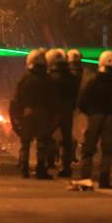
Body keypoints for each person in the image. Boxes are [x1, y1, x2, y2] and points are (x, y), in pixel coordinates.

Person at [78, 50, 112, 188]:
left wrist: (89, 112)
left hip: (94, 116)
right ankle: (104, 180)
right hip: (110, 117)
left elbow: (82, 99)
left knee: (88, 149)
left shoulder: (93, 80)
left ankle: (85, 177)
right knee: (107, 150)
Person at [9, 48, 57, 179]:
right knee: (42, 143)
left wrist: (16, 116)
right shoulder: (48, 80)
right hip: (44, 114)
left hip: (28, 113)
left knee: (25, 142)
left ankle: (24, 168)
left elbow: (17, 99)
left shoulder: (25, 79)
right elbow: (53, 99)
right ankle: (41, 169)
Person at [48, 48, 79, 177]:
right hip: (67, 110)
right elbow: (75, 94)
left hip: (53, 110)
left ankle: (47, 163)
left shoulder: (50, 77)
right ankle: (66, 167)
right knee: (66, 139)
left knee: (48, 136)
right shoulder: (71, 77)